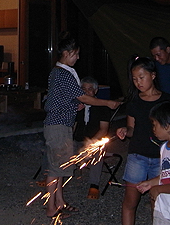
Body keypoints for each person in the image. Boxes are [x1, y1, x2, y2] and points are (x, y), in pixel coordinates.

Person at [43, 37, 121, 219]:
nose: (77, 57)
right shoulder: (63, 74)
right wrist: (107, 102)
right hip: (57, 126)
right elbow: (84, 97)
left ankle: (59, 202)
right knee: (56, 169)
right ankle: (50, 208)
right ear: (66, 54)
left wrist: (72, 106)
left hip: (61, 124)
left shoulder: (58, 72)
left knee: (61, 167)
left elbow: (62, 99)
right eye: (75, 54)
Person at [116, 56, 170, 225]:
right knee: (130, 201)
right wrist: (126, 130)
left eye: (142, 77)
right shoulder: (134, 101)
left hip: (161, 159)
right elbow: (132, 129)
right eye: (134, 79)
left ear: (153, 75)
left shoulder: (166, 100)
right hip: (137, 156)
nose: (138, 82)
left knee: (157, 202)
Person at [73, 76, 113, 200]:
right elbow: (72, 126)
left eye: (90, 89)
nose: (86, 92)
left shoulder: (102, 107)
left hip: (94, 141)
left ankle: (94, 184)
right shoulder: (76, 106)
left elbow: (103, 129)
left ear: (95, 91)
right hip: (78, 140)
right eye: (83, 89)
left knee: (97, 150)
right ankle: (54, 177)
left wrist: (90, 143)